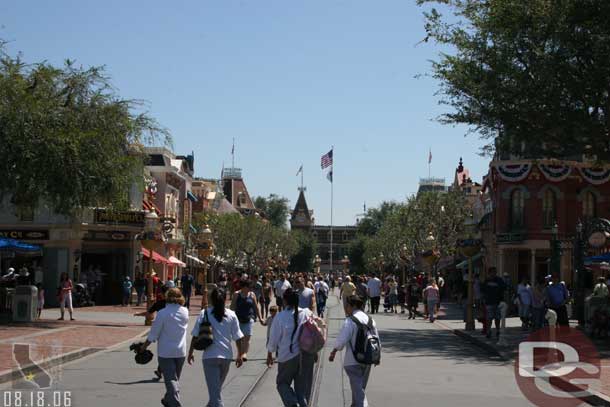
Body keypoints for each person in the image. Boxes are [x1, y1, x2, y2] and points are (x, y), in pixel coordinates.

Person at [188, 288, 244, 407]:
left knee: (215, 393)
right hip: (226, 357)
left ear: (211, 299)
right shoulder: (231, 314)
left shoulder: (205, 313)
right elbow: (238, 337)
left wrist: (190, 353)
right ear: (225, 299)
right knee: (216, 391)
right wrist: (240, 354)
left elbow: (195, 335)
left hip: (210, 356)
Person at [139, 288, 189, 407]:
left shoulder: (162, 313)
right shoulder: (185, 311)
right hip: (180, 351)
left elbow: (153, 334)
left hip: (166, 351)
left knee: (171, 380)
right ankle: (168, 400)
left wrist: (143, 347)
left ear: (167, 297)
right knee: (174, 379)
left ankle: (175, 403)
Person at [266, 288, 314, 407]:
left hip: (287, 356)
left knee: (282, 383)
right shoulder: (307, 313)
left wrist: (270, 353)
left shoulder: (280, 317)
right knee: (301, 390)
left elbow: (273, 339)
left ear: (285, 301)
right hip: (305, 356)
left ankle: (292, 403)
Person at [329, 295, 379, 407]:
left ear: (353, 306)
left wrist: (334, 351)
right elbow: (376, 338)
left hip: (353, 360)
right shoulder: (370, 320)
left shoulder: (350, 321)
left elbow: (342, 339)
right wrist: (377, 356)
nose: (346, 308)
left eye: (347, 306)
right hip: (368, 358)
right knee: (359, 388)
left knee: (358, 390)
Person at [231, 280, 265, 361]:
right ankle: (239, 353)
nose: (250, 289)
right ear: (244, 287)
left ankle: (244, 354)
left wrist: (260, 318)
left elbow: (256, 307)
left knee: (247, 337)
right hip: (238, 319)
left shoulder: (252, 295)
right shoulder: (236, 294)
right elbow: (232, 307)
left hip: (249, 318)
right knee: (239, 338)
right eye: (249, 287)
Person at [482, 267, 505, 339]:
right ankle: (489, 331)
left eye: (495, 272)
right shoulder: (486, 280)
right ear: (489, 273)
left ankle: (498, 330)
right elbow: (483, 290)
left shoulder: (499, 280)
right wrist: (483, 299)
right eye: (492, 272)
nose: (494, 274)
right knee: (489, 318)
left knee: (497, 318)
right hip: (489, 302)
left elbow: (504, 288)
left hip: (498, 302)